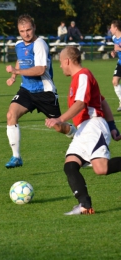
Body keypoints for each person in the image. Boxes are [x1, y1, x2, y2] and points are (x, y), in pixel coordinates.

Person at [45, 46, 121, 215]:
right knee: (70, 165)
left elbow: (81, 104)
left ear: (67, 61)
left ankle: (85, 204)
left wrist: (60, 119)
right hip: (83, 130)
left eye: (60, 63)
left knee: (100, 169)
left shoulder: (83, 75)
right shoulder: (78, 79)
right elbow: (103, 101)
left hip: (93, 126)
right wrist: (113, 126)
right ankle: (84, 204)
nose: (60, 67)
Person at [5, 14, 76, 169]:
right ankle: (16, 156)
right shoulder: (18, 45)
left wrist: (16, 71)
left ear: (34, 27)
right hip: (26, 90)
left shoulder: (39, 44)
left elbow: (40, 69)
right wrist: (13, 77)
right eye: (22, 31)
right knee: (11, 114)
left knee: (59, 126)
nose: (26, 34)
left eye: (28, 30)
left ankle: (76, 134)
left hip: (45, 92)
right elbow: (20, 60)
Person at [110, 20, 121, 111]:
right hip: (120, 62)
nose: (110, 29)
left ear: (116, 28)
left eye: (111, 27)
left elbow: (119, 48)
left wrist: (120, 49)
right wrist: (114, 53)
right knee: (115, 81)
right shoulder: (114, 38)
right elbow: (116, 50)